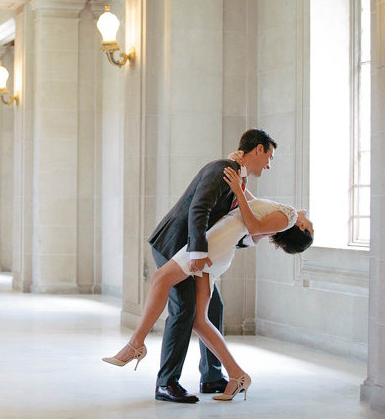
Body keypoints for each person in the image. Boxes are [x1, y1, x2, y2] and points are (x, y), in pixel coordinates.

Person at [103, 166, 314, 402]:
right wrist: (241, 182)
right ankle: (237, 375)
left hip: (216, 244)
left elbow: (253, 226)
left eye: (311, 225)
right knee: (199, 321)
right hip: (219, 244)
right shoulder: (282, 215)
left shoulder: (290, 216)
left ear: (302, 228)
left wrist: (237, 189)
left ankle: (135, 344)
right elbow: (253, 207)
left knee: (159, 279)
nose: (309, 219)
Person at [115, 128, 278, 404]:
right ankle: (166, 383)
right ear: (258, 149)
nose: (269, 164)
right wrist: (198, 251)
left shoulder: (238, 178)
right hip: (173, 245)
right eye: (269, 156)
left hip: (191, 251)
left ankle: (212, 376)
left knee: (214, 307)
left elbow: (229, 223)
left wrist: (253, 237)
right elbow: (199, 210)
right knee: (185, 309)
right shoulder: (223, 169)